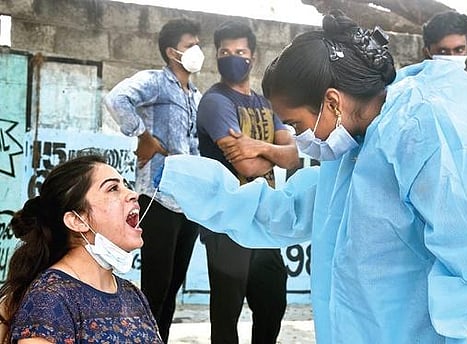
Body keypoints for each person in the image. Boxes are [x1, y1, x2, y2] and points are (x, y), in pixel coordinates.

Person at [154, 11, 467, 344]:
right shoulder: (350, 152)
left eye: (296, 125)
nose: (298, 138)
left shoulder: (418, 135)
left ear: (332, 102)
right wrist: (183, 181)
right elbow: (287, 211)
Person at [195, 20, 299, 344]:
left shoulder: (266, 102)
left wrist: (259, 146)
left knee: (271, 303)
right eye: (224, 52)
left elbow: (295, 156)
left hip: (262, 218)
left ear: (252, 56)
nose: (231, 57)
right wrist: (274, 152)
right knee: (226, 315)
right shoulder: (215, 102)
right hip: (226, 221)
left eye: (239, 51)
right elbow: (247, 166)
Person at [103, 18, 203, 342]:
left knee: (173, 286)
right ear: (172, 52)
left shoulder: (195, 95)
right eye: (190, 45)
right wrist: (142, 135)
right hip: (157, 197)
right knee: (155, 287)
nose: (196, 50)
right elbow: (117, 99)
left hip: (186, 205)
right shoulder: (156, 82)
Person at [0, 154, 163, 343]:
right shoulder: (49, 299)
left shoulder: (133, 295)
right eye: (113, 188)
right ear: (77, 220)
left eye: (125, 185)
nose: (133, 194)